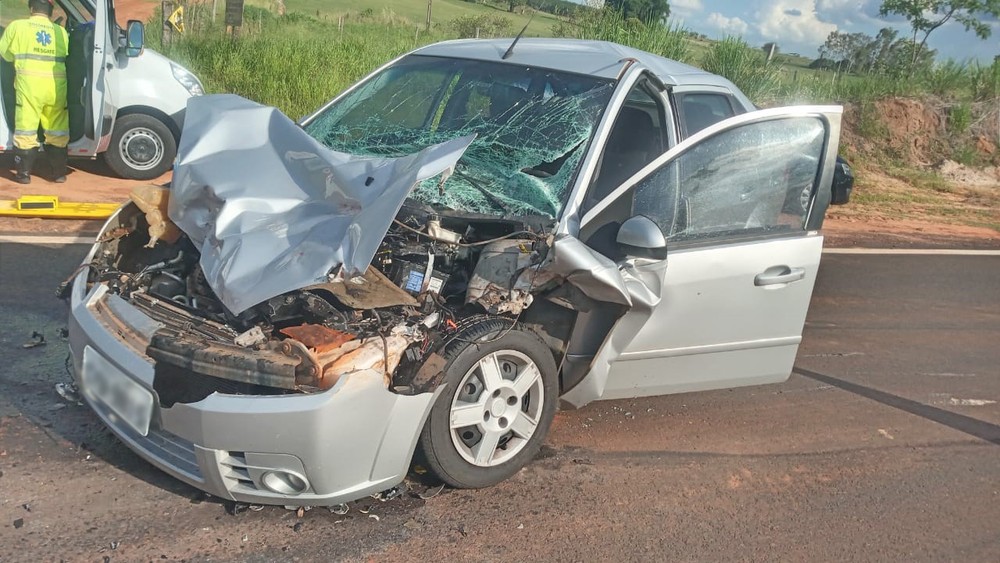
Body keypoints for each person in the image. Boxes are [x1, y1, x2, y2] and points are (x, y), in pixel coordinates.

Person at [0, 0, 69, 184]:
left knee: (26, 129)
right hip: (56, 87)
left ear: (31, 8)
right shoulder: (60, 31)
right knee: (57, 130)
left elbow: (5, 54)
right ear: (51, 11)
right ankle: (58, 173)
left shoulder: (17, 27)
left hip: (29, 86)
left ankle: (23, 174)